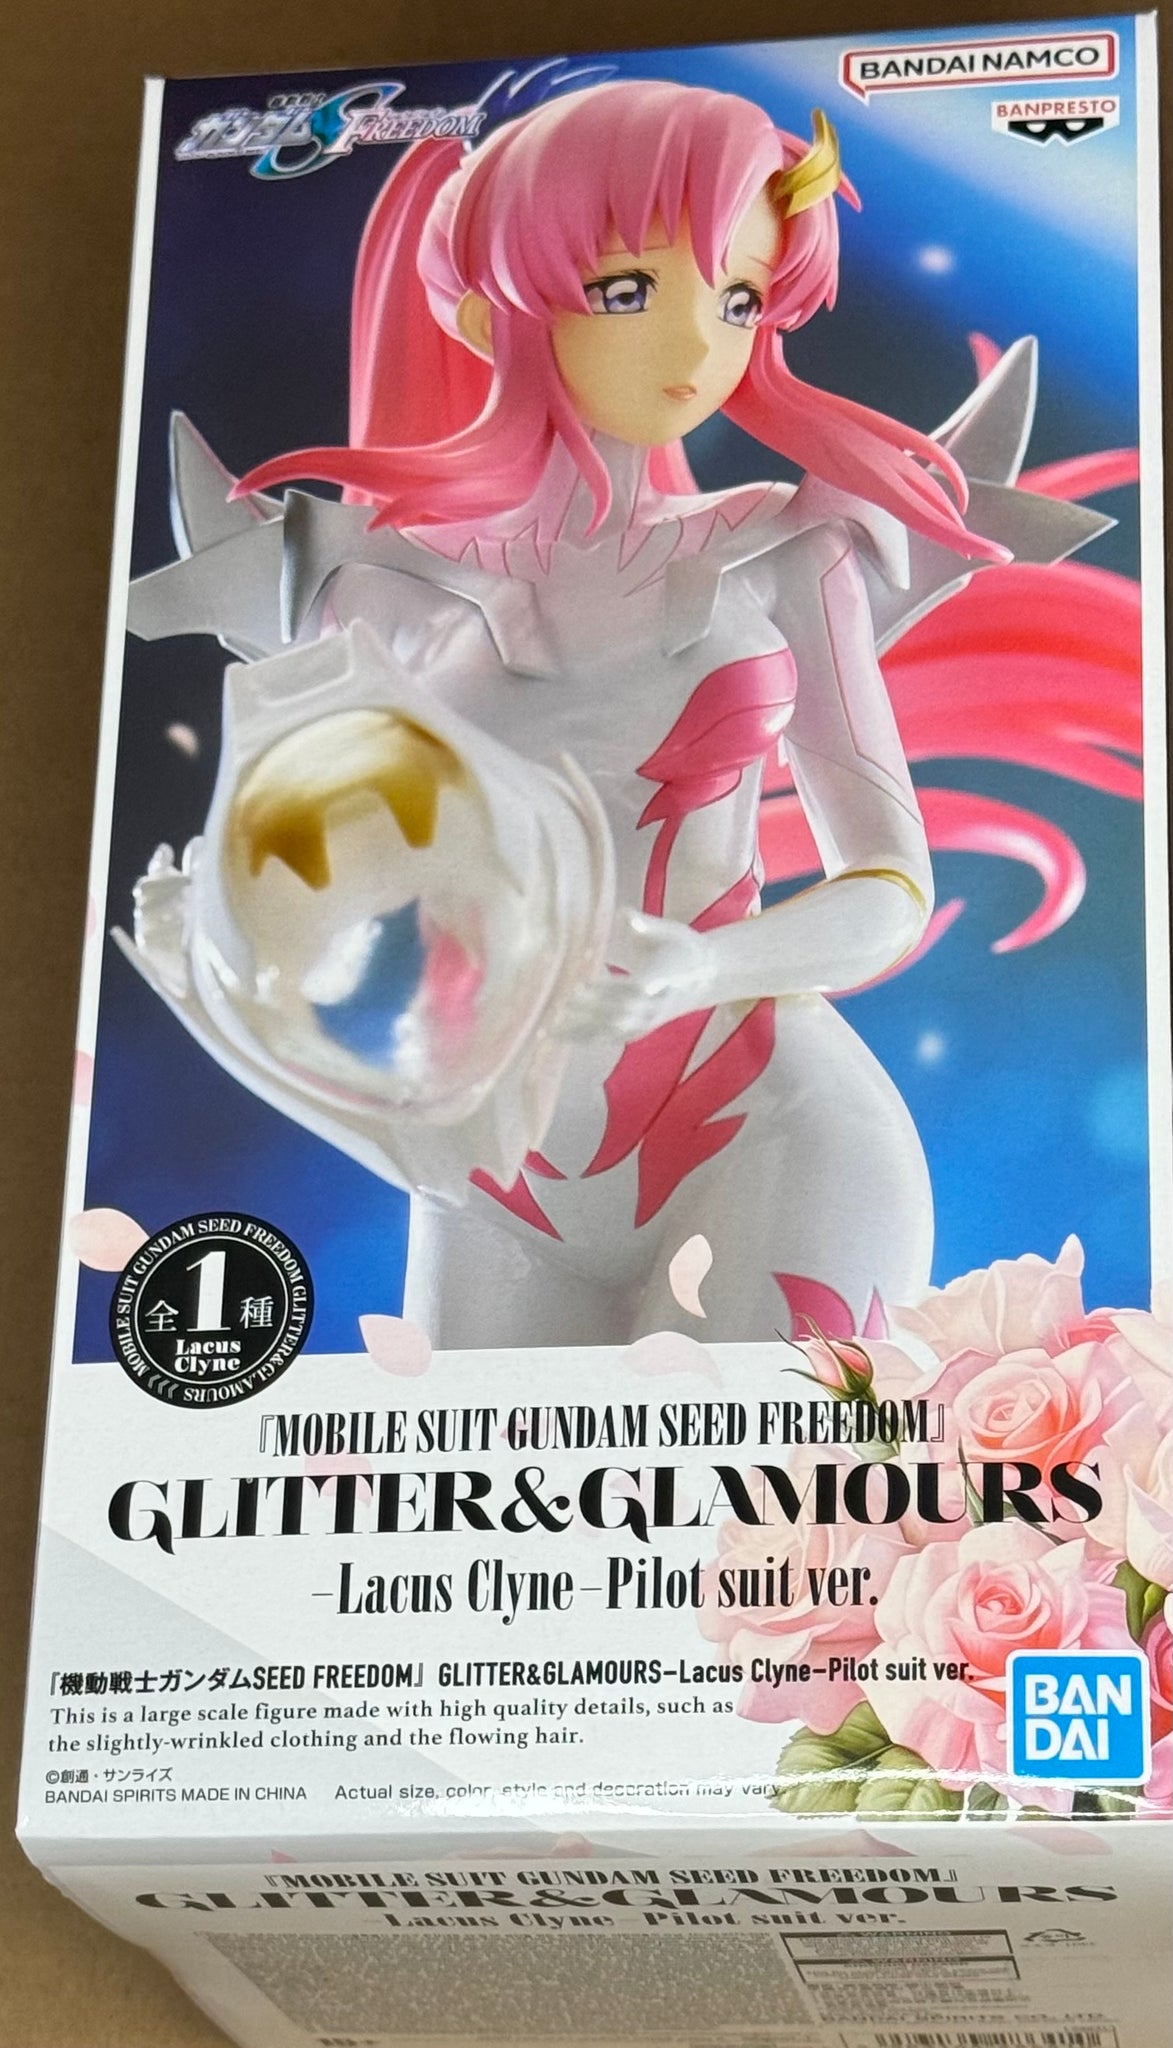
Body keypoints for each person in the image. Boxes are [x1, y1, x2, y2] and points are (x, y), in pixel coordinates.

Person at [124, 77, 1133, 1348]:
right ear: (493, 304)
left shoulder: (786, 554)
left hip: (761, 1115)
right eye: (627, 289)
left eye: (741, 299)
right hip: (495, 1166)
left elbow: (889, 887)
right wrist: (224, 948)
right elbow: (357, 902)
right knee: (476, 1486)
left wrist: (710, 964)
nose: (698, 346)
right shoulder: (371, 583)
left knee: (781, 1477)